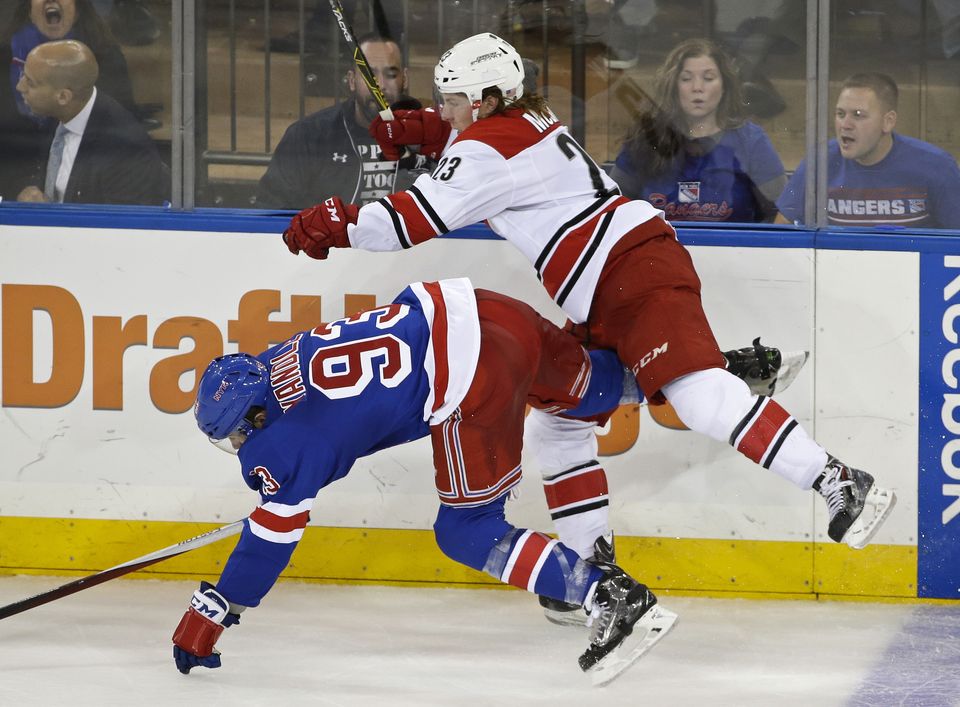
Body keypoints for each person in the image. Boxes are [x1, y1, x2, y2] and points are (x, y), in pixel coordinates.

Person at [282, 34, 897, 576]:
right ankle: (592, 564)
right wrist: (422, 131)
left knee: (699, 398)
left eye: (452, 100)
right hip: (614, 276)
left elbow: (408, 221)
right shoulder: (529, 117)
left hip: (630, 270)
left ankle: (839, 480)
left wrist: (335, 223)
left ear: (488, 100)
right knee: (560, 415)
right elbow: (474, 146)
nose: (444, 110)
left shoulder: (486, 148)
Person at [171, 278, 678, 684]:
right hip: (480, 309)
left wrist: (216, 612)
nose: (238, 446)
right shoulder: (269, 362)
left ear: (257, 419)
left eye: (236, 435)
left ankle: (603, 595)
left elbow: (268, 542)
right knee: (591, 386)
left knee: (467, 530)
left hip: (471, 372)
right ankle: (705, 378)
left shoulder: (285, 445)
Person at [610, 38, 786, 224]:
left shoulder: (751, 141)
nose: (697, 88)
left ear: (724, 85)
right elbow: (612, 207)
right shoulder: (646, 138)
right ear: (673, 86)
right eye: (686, 79)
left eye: (708, 78)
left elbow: (783, 213)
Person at [256, 33, 439, 209]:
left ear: (405, 79)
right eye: (369, 75)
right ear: (352, 81)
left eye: (391, 74)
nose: (381, 85)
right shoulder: (308, 136)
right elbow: (272, 208)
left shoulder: (434, 134)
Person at [777, 72, 960, 229]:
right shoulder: (820, 161)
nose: (845, 125)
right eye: (840, 114)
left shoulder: (937, 166)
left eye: (858, 115)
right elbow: (782, 227)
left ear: (888, 121)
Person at [0, 0, 139, 200]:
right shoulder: (3, 58)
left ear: (78, 8)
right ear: (28, 9)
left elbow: (120, 142)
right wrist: (16, 188)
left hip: (85, 197)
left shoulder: (105, 56)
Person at [14, 39, 167, 204]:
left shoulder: (125, 150)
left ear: (63, 97)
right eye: (23, 75)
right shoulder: (58, 112)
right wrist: (29, 190)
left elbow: (118, 226)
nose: (20, 87)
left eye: (30, 82)